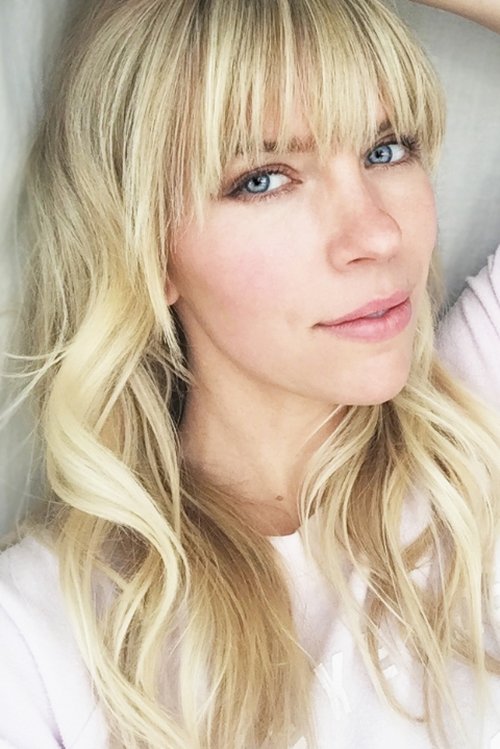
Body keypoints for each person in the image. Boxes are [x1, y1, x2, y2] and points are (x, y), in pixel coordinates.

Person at [0, 0, 500, 747]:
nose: (377, 232)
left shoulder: (478, 424)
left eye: (386, 149)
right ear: (149, 249)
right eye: (264, 179)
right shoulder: (34, 643)